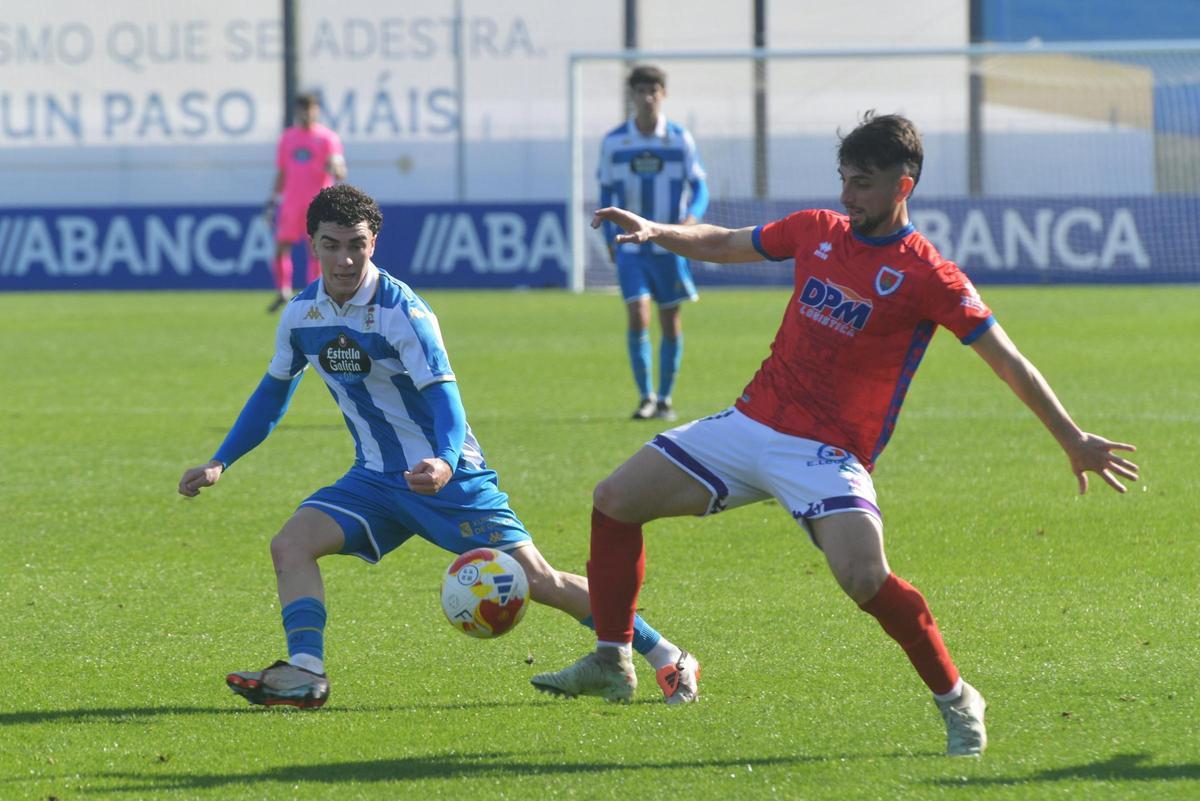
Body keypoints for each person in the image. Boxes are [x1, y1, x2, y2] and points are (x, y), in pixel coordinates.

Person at [531, 112, 1140, 756]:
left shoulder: (929, 274)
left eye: (863, 184)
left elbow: (1007, 359)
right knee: (614, 500)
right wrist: (657, 231)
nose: (848, 197)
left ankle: (958, 698)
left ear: (903, 186)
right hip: (750, 422)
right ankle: (612, 657)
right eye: (844, 180)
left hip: (827, 455)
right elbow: (724, 242)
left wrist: (1071, 438)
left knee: (863, 577)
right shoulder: (818, 230)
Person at [179, 185, 694, 709]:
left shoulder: (404, 312)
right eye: (331, 244)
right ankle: (306, 672)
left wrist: (445, 463)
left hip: (452, 479)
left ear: (373, 242)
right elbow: (272, 395)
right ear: (311, 244)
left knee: (538, 580)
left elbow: (448, 404)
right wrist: (221, 459)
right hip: (376, 480)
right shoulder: (301, 315)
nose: (345, 258)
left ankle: (669, 657)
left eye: (356, 243)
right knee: (291, 544)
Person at [598, 65, 709, 421]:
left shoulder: (678, 139)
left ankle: (665, 398)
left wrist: (691, 219)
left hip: (669, 246)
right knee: (637, 315)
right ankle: (645, 397)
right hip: (632, 247)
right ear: (631, 96)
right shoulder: (615, 142)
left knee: (670, 321)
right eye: (640, 90)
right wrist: (609, 239)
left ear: (663, 94)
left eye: (653, 90)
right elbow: (605, 191)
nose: (647, 97)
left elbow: (700, 186)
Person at [265, 92, 347, 312]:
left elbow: (340, 171)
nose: (307, 113)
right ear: (297, 112)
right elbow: (282, 172)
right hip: (292, 203)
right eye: (303, 109)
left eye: (311, 109)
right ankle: (283, 290)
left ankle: (316, 293)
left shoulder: (328, 139)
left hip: (318, 205)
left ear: (317, 111)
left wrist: (335, 167)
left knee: (316, 250)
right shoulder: (288, 138)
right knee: (281, 247)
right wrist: (273, 201)